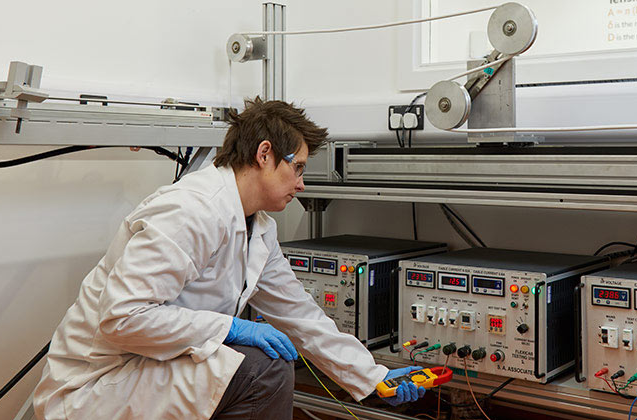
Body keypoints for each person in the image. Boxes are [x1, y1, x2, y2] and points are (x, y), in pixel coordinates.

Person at [33, 97, 426, 419]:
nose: (302, 183)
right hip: (97, 385)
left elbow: (302, 317)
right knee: (264, 368)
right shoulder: (191, 210)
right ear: (265, 153)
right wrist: (231, 328)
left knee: (257, 360)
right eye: (299, 167)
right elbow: (122, 318)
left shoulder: (259, 227)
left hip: (152, 368)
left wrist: (374, 376)